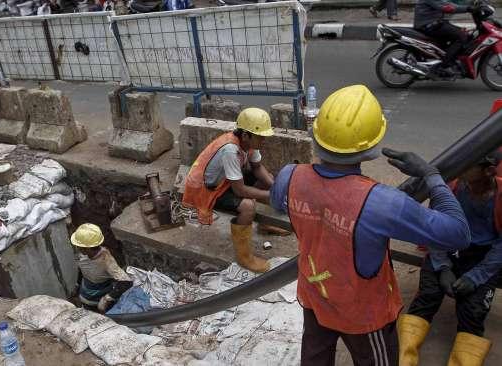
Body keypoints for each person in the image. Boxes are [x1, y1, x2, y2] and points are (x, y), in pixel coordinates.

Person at [269, 85, 470, 366]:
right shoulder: (383, 203)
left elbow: (280, 204)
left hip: (316, 297)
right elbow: (458, 234)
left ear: (317, 135)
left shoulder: (289, 177)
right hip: (363, 313)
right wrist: (431, 175)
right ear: (372, 147)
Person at [399, 153, 502, 366]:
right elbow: (433, 229)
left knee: (473, 311)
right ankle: (402, 360)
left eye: (470, 164)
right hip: (448, 248)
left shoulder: (500, 196)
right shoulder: (451, 188)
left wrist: (475, 277)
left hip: (483, 256)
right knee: (427, 295)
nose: (461, 166)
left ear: (489, 171)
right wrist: (443, 266)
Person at [183, 108, 289, 274]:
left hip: (226, 180)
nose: (264, 140)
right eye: (261, 137)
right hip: (209, 189)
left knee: (267, 177)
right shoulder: (230, 151)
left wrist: (276, 187)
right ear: (246, 135)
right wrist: (271, 195)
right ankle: (244, 257)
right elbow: (239, 190)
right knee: (247, 207)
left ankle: (265, 225)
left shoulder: (250, 143)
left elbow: (257, 167)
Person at [71, 223, 133, 313]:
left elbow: (126, 282)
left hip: (99, 302)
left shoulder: (105, 259)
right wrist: (77, 285)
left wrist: (107, 299)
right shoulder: (83, 255)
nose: (77, 248)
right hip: (85, 295)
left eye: (79, 246)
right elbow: (81, 268)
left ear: (87, 248)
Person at [413, 0, 473, 70]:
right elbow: (444, 7)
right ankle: (445, 64)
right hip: (428, 25)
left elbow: (448, 4)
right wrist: (468, 8)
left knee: (465, 34)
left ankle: (450, 57)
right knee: (462, 35)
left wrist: (469, 7)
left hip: (435, 23)